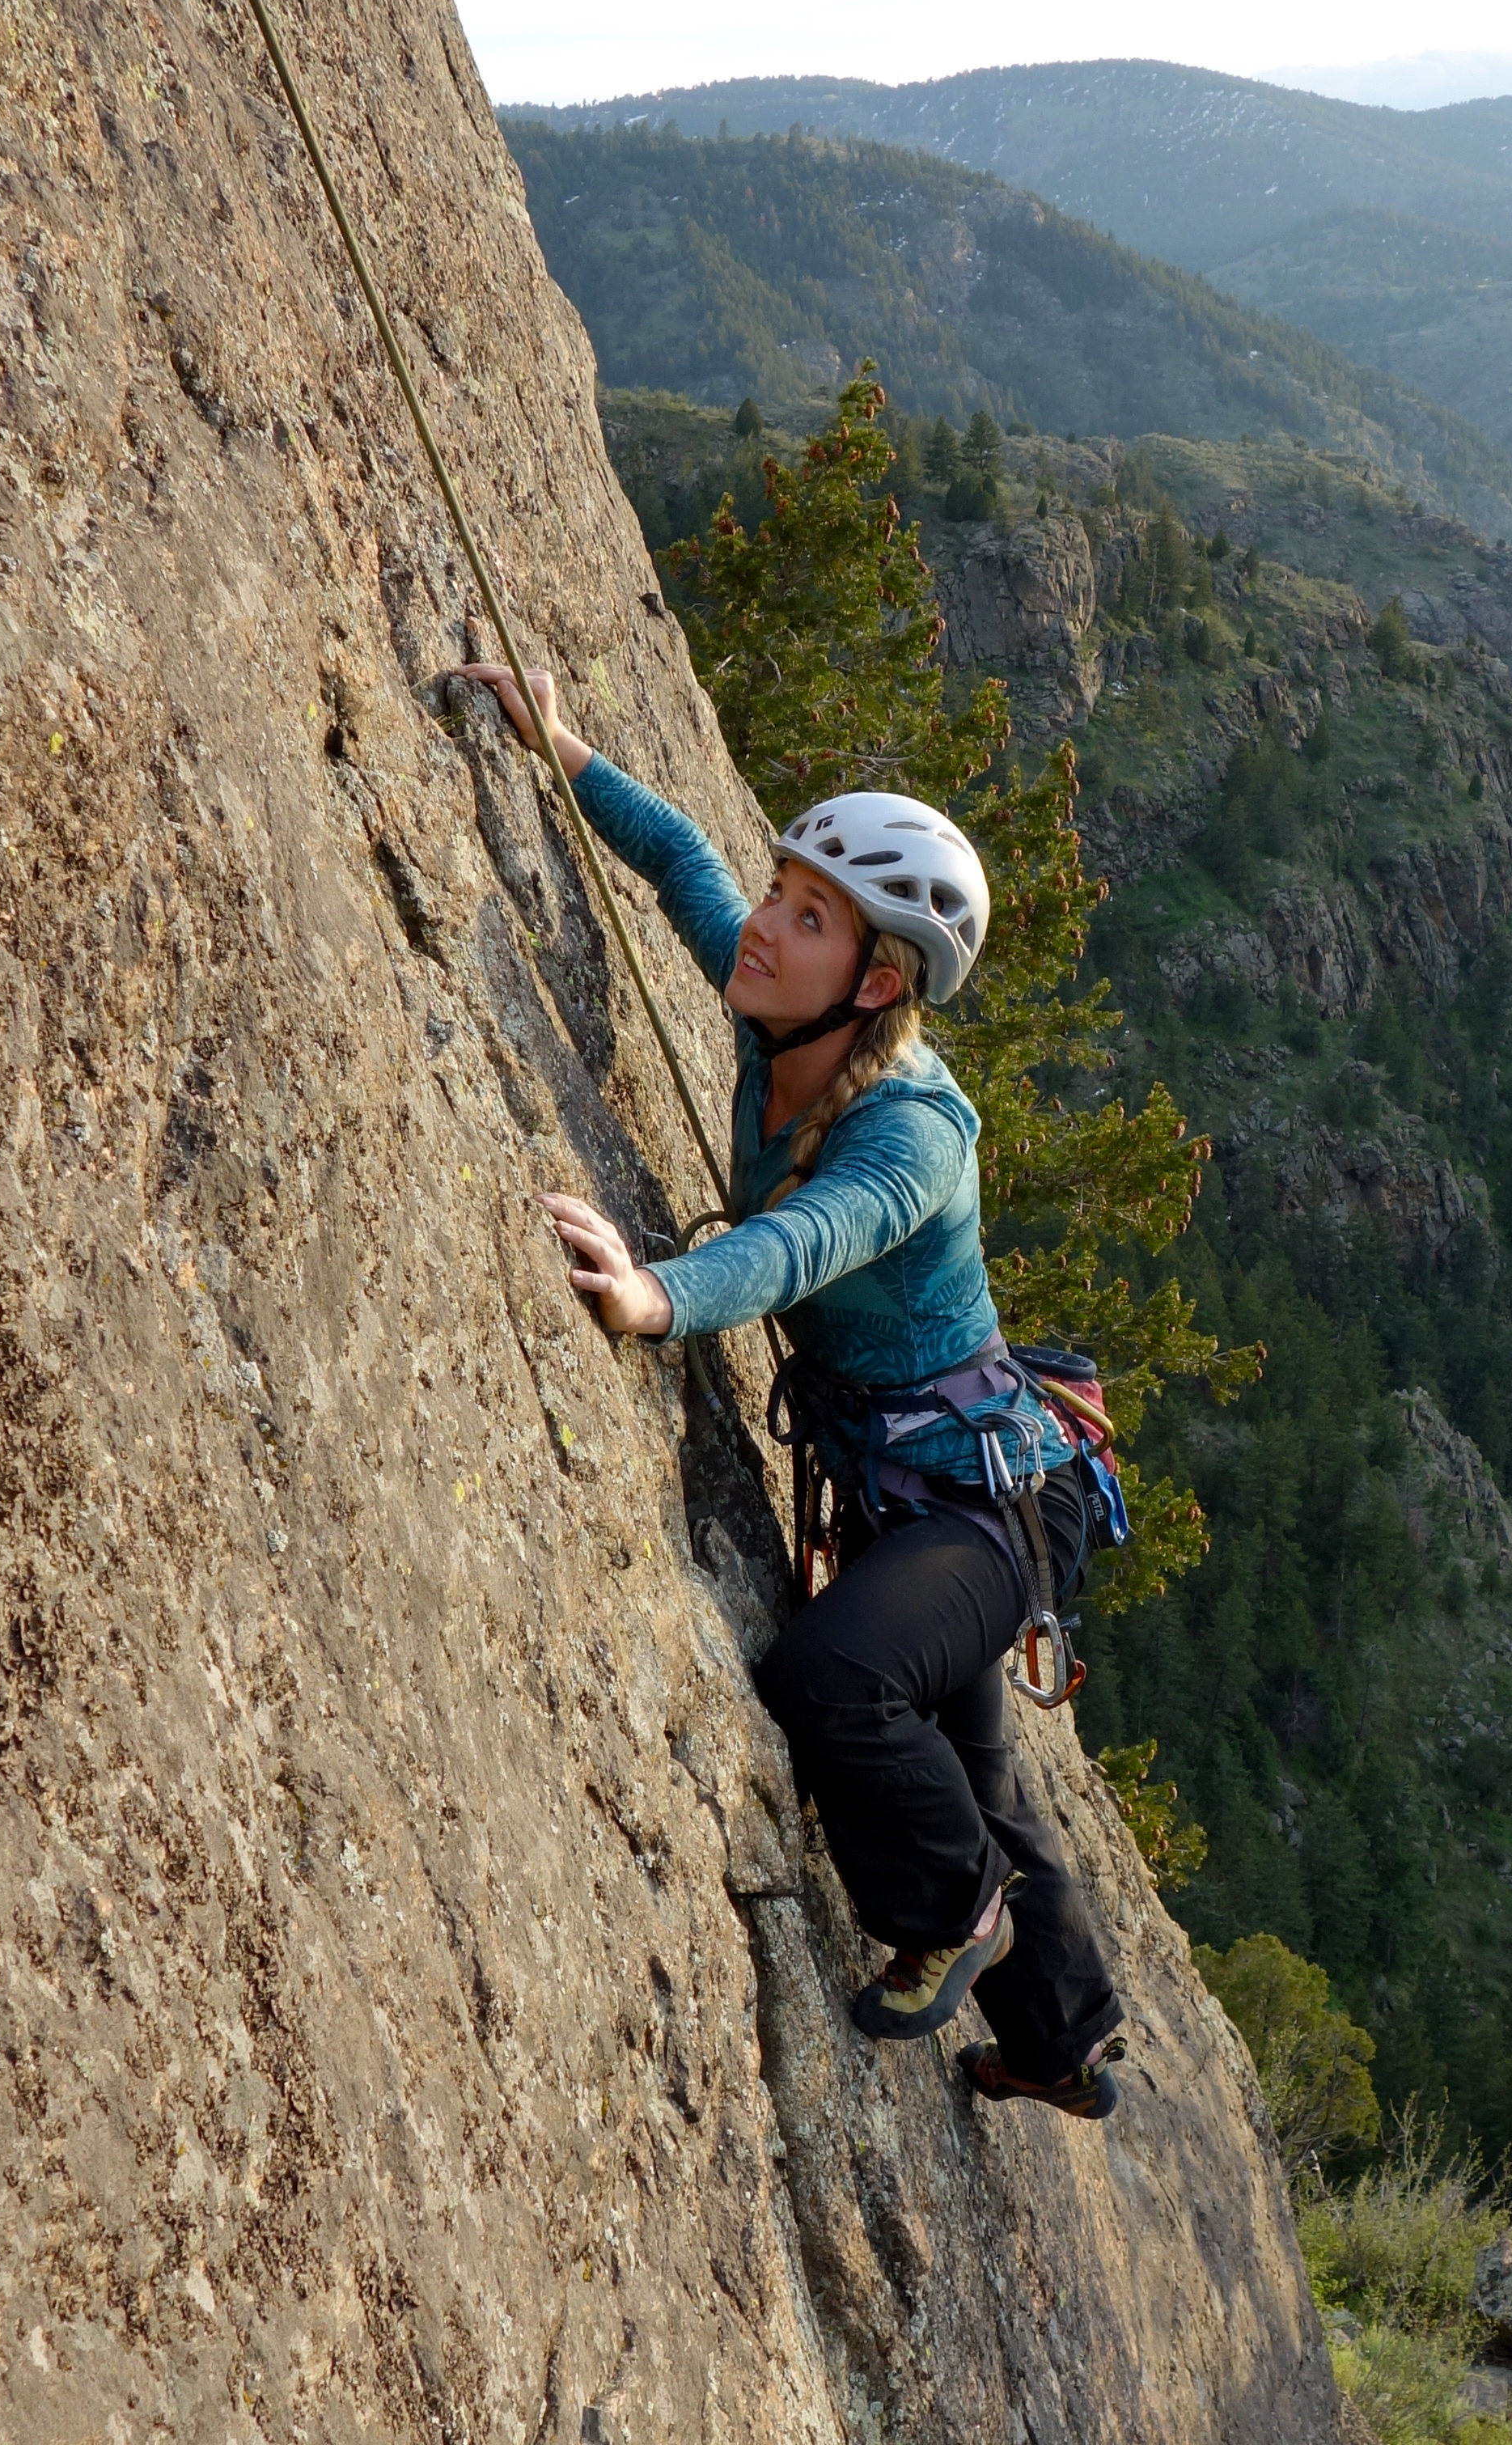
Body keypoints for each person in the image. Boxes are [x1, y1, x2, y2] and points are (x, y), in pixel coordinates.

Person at [462, 655, 1129, 2121]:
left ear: (878, 977)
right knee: (978, 1768)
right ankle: (1065, 2042)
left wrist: (656, 1297)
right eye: (785, 892)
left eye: (809, 916)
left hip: (986, 1508)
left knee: (835, 1683)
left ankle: (953, 1917)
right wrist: (565, 746)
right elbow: (681, 867)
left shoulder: (910, 1136)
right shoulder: (786, 1009)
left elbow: (801, 1240)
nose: (764, 924)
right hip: (916, 1486)